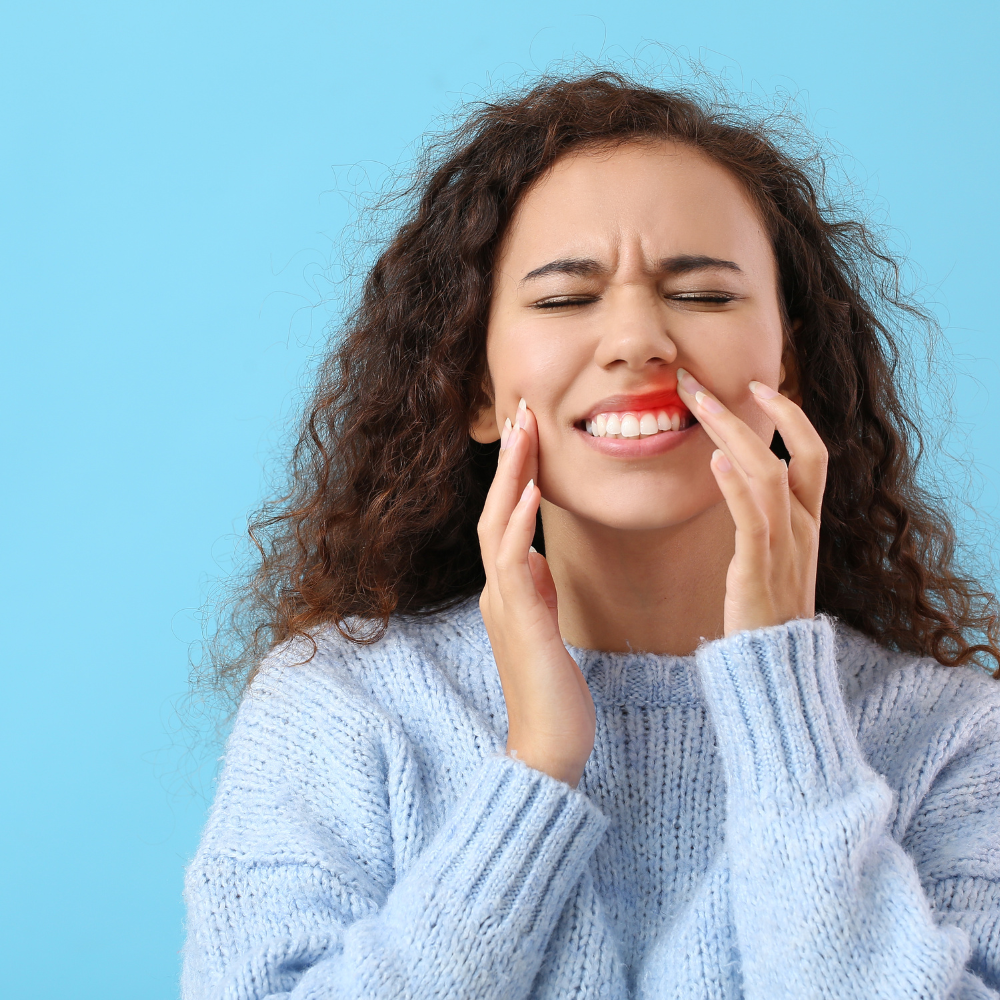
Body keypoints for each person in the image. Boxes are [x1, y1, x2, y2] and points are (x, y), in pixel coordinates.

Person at [181, 72, 1000, 999]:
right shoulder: (338, 709)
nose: (639, 341)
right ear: (476, 388)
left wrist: (784, 702)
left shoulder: (957, 741)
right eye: (566, 299)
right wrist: (534, 769)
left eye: (704, 295)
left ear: (791, 365)